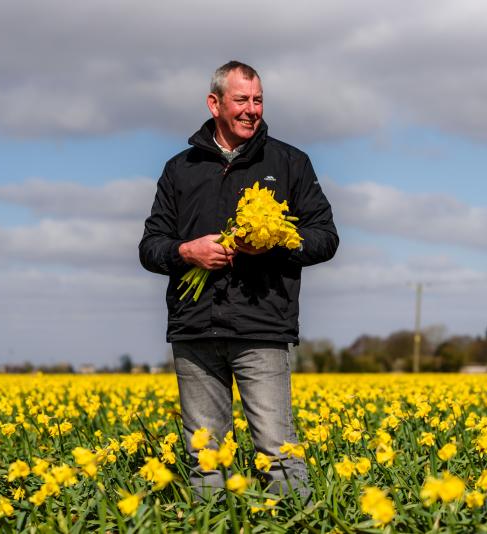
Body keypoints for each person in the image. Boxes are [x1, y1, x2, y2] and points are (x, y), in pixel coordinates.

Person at [139, 60, 338, 502]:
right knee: (204, 455)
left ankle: (297, 523)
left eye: (258, 100)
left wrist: (276, 241)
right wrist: (185, 252)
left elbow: (326, 238)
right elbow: (150, 246)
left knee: (278, 450)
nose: (252, 110)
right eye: (241, 100)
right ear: (215, 104)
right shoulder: (180, 168)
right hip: (194, 330)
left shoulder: (289, 163)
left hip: (262, 329)